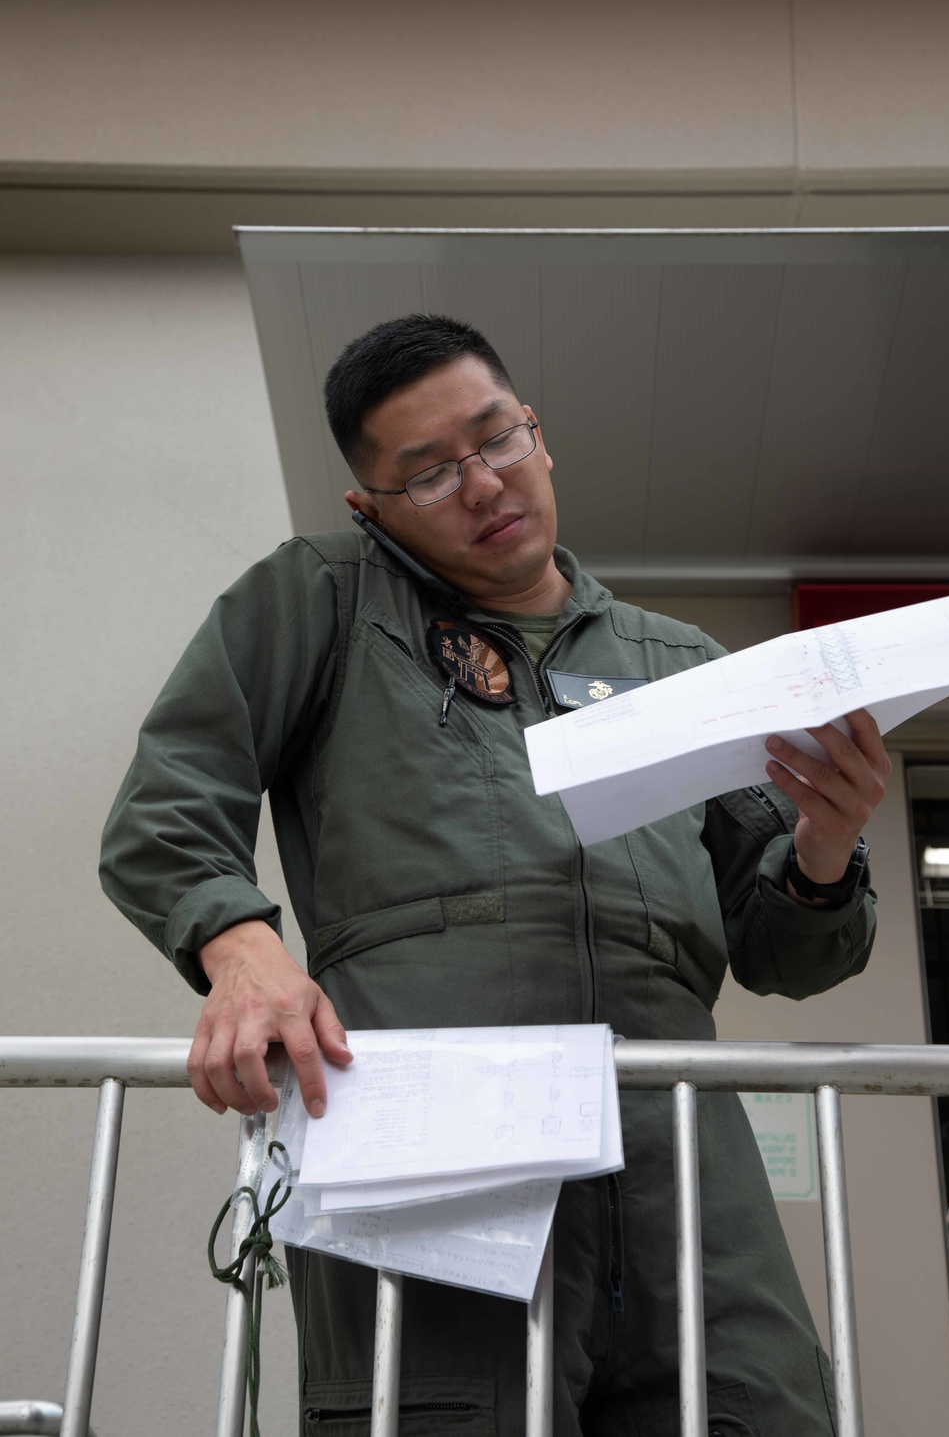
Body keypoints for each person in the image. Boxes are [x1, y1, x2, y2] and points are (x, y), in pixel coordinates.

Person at [100, 313, 889, 1437]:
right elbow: (166, 806)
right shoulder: (321, 599)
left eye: (497, 438)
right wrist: (243, 951)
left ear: (539, 435)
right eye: (428, 473)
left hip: (680, 1155)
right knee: (443, 1413)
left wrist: (822, 849)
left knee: (753, 1406)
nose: (483, 483)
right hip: (436, 1147)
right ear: (367, 509)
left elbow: (782, 953)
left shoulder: (678, 665)